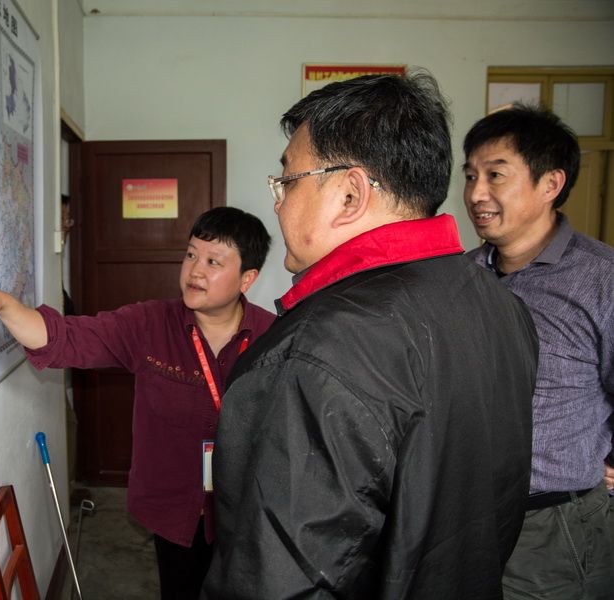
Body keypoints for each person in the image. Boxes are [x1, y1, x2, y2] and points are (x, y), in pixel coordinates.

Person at [202, 72, 539, 599]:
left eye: (286, 181)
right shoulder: (500, 304)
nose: (277, 204)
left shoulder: (319, 349)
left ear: (350, 194)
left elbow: (283, 581)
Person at [0, 206, 274, 600]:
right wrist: (4, 305)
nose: (195, 271)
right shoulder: (149, 324)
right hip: (175, 509)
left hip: (247, 510)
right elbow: (65, 337)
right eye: (191, 254)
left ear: (247, 278)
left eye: (213, 261)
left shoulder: (276, 337)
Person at [462, 104, 614, 599]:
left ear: (550, 184)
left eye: (495, 175)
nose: (475, 194)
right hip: (461, 517)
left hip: (552, 525)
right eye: (470, 176)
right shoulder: (461, 275)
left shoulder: (600, 278)